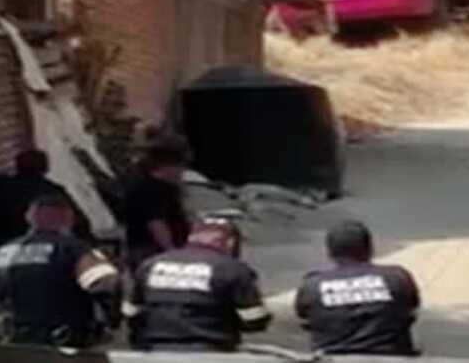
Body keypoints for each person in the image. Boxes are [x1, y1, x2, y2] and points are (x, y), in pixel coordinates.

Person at [0, 194, 121, 347]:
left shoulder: (1, 253)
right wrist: (109, 322)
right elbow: (106, 283)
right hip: (64, 346)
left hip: (14, 343)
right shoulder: (74, 250)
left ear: (29, 218)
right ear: (68, 219)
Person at [124, 219, 272, 351]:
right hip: (212, 348)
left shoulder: (150, 264)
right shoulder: (233, 269)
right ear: (230, 242)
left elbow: (130, 313)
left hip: (153, 347)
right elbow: (254, 320)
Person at [294, 220, 420, 356]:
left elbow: (305, 321)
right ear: (370, 249)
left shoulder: (312, 285)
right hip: (391, 357)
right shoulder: (397, 277)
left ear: (330, 253)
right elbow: (411, 311)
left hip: (332, 358)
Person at [0, 149, 92, 246]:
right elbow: (79, 224)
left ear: (17, 165)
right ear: (44, 168)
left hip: (8, 249)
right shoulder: (52, 191)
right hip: (45, 252)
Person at [123, 144, 191, 272]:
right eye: (180, 166)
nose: (182, 171)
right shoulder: (153, 189)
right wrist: (171, 251)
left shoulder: (151, 185)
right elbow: (156, 223)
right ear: (167, 166)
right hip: (152, 251)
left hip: (150, 250)